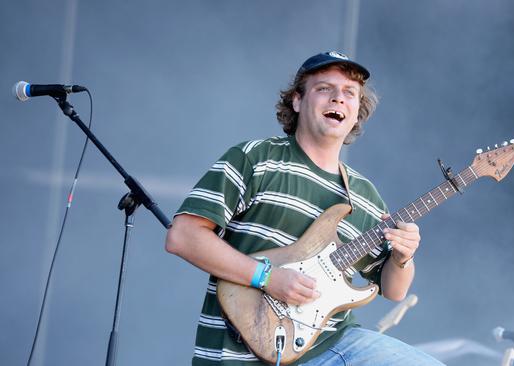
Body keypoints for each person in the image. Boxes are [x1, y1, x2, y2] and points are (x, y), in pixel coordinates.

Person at [165, 51, 444, 366]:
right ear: (297, 101)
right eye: (325, 88)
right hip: (238, 353)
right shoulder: (255, 158)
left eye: (349, 93)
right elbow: (183, 237)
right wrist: (267, 278)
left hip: (330, 347)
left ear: (357, 112)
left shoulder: (365, 195)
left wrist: (403, 258)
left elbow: (393, 291)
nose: (338, 98)